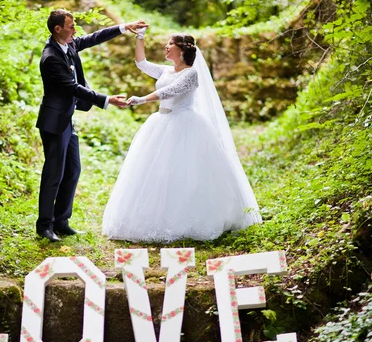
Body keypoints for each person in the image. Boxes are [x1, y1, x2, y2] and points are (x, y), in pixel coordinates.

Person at [102, 29, 262, 242]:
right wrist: (139, 38)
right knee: (156, 171)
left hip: (185, 123)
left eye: (171, 44)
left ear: (182, 50)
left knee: (185, 172)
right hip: (161, 122)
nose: (166, 47)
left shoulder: (190, 74)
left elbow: (170, 91)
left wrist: (142, 99)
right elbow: (141, 63)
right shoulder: (166, 71)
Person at [36, 9, 148, 242]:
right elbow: (73, 88)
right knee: (53, 174)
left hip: (66, 120)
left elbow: (93, 37)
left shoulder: (68, 45)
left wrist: (122, 27)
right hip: (54, 123)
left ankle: (61, 221)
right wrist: (106, 100)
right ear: (58, 29)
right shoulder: (51, 58)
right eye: (71, 26)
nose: (75, 30)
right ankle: (44, 225)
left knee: (73, 170)